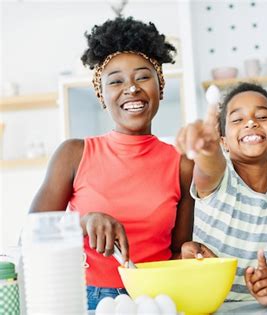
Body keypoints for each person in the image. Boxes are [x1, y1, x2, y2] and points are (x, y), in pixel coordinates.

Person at [29, 17, 194, 310]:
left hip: (156, 300)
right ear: (101, 94)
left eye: (143, 77)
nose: (131, 89)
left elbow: (178, 252)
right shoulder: (73, 154)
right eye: (116, 81)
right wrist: (83, 221)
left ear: (160, 86)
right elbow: (32, 234)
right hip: (86, 300)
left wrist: (194, 256)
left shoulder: (182, 165)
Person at [175, 83, 267, 306]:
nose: (251, 122)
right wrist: (207, 149)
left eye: (261, 116)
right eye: (237, 120)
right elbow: (209, 167)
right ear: (223, 142)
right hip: (206, 307)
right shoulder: (217, 179)